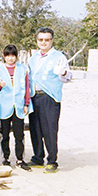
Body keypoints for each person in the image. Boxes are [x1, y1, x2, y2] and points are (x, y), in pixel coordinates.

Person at [28, 27, 72, 173]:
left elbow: (67, 77)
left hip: (49, 96)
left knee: (49, 129)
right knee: (35, 128)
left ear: (52, 40)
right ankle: (37, 157)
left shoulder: (59, 57)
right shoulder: (33, 58)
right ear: (37, 41)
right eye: (41, 39)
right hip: (34, 96)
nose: (44, 42)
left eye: (47, 40)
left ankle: (52, 160)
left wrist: (64, 72)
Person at [0, 45, 32, 171]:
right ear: (4, 56)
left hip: (19, 106)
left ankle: (20, 160)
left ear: (16, 56)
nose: (10, 58)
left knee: (19, 135)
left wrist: (26, 104)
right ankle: (5, 158)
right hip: (4, 106)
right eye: (8, 55)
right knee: (4, 134)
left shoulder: (22, 69)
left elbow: (27, 87)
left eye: (13, 55)